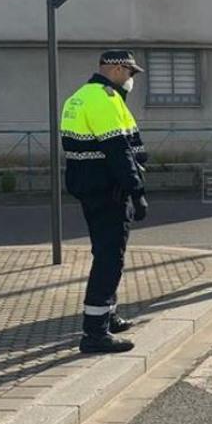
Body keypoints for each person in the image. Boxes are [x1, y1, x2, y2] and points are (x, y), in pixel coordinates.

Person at [60, 50, 149, 354]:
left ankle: (107, 315)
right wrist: (136, 191)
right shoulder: (105, 98)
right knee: (110, 257)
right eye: (130, 72)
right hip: (109, 189)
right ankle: (95, 332)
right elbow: (118, 151)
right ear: (115, 69)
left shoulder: (78, 97)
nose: (131, 79)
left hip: (89, 186)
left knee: (105, 251)